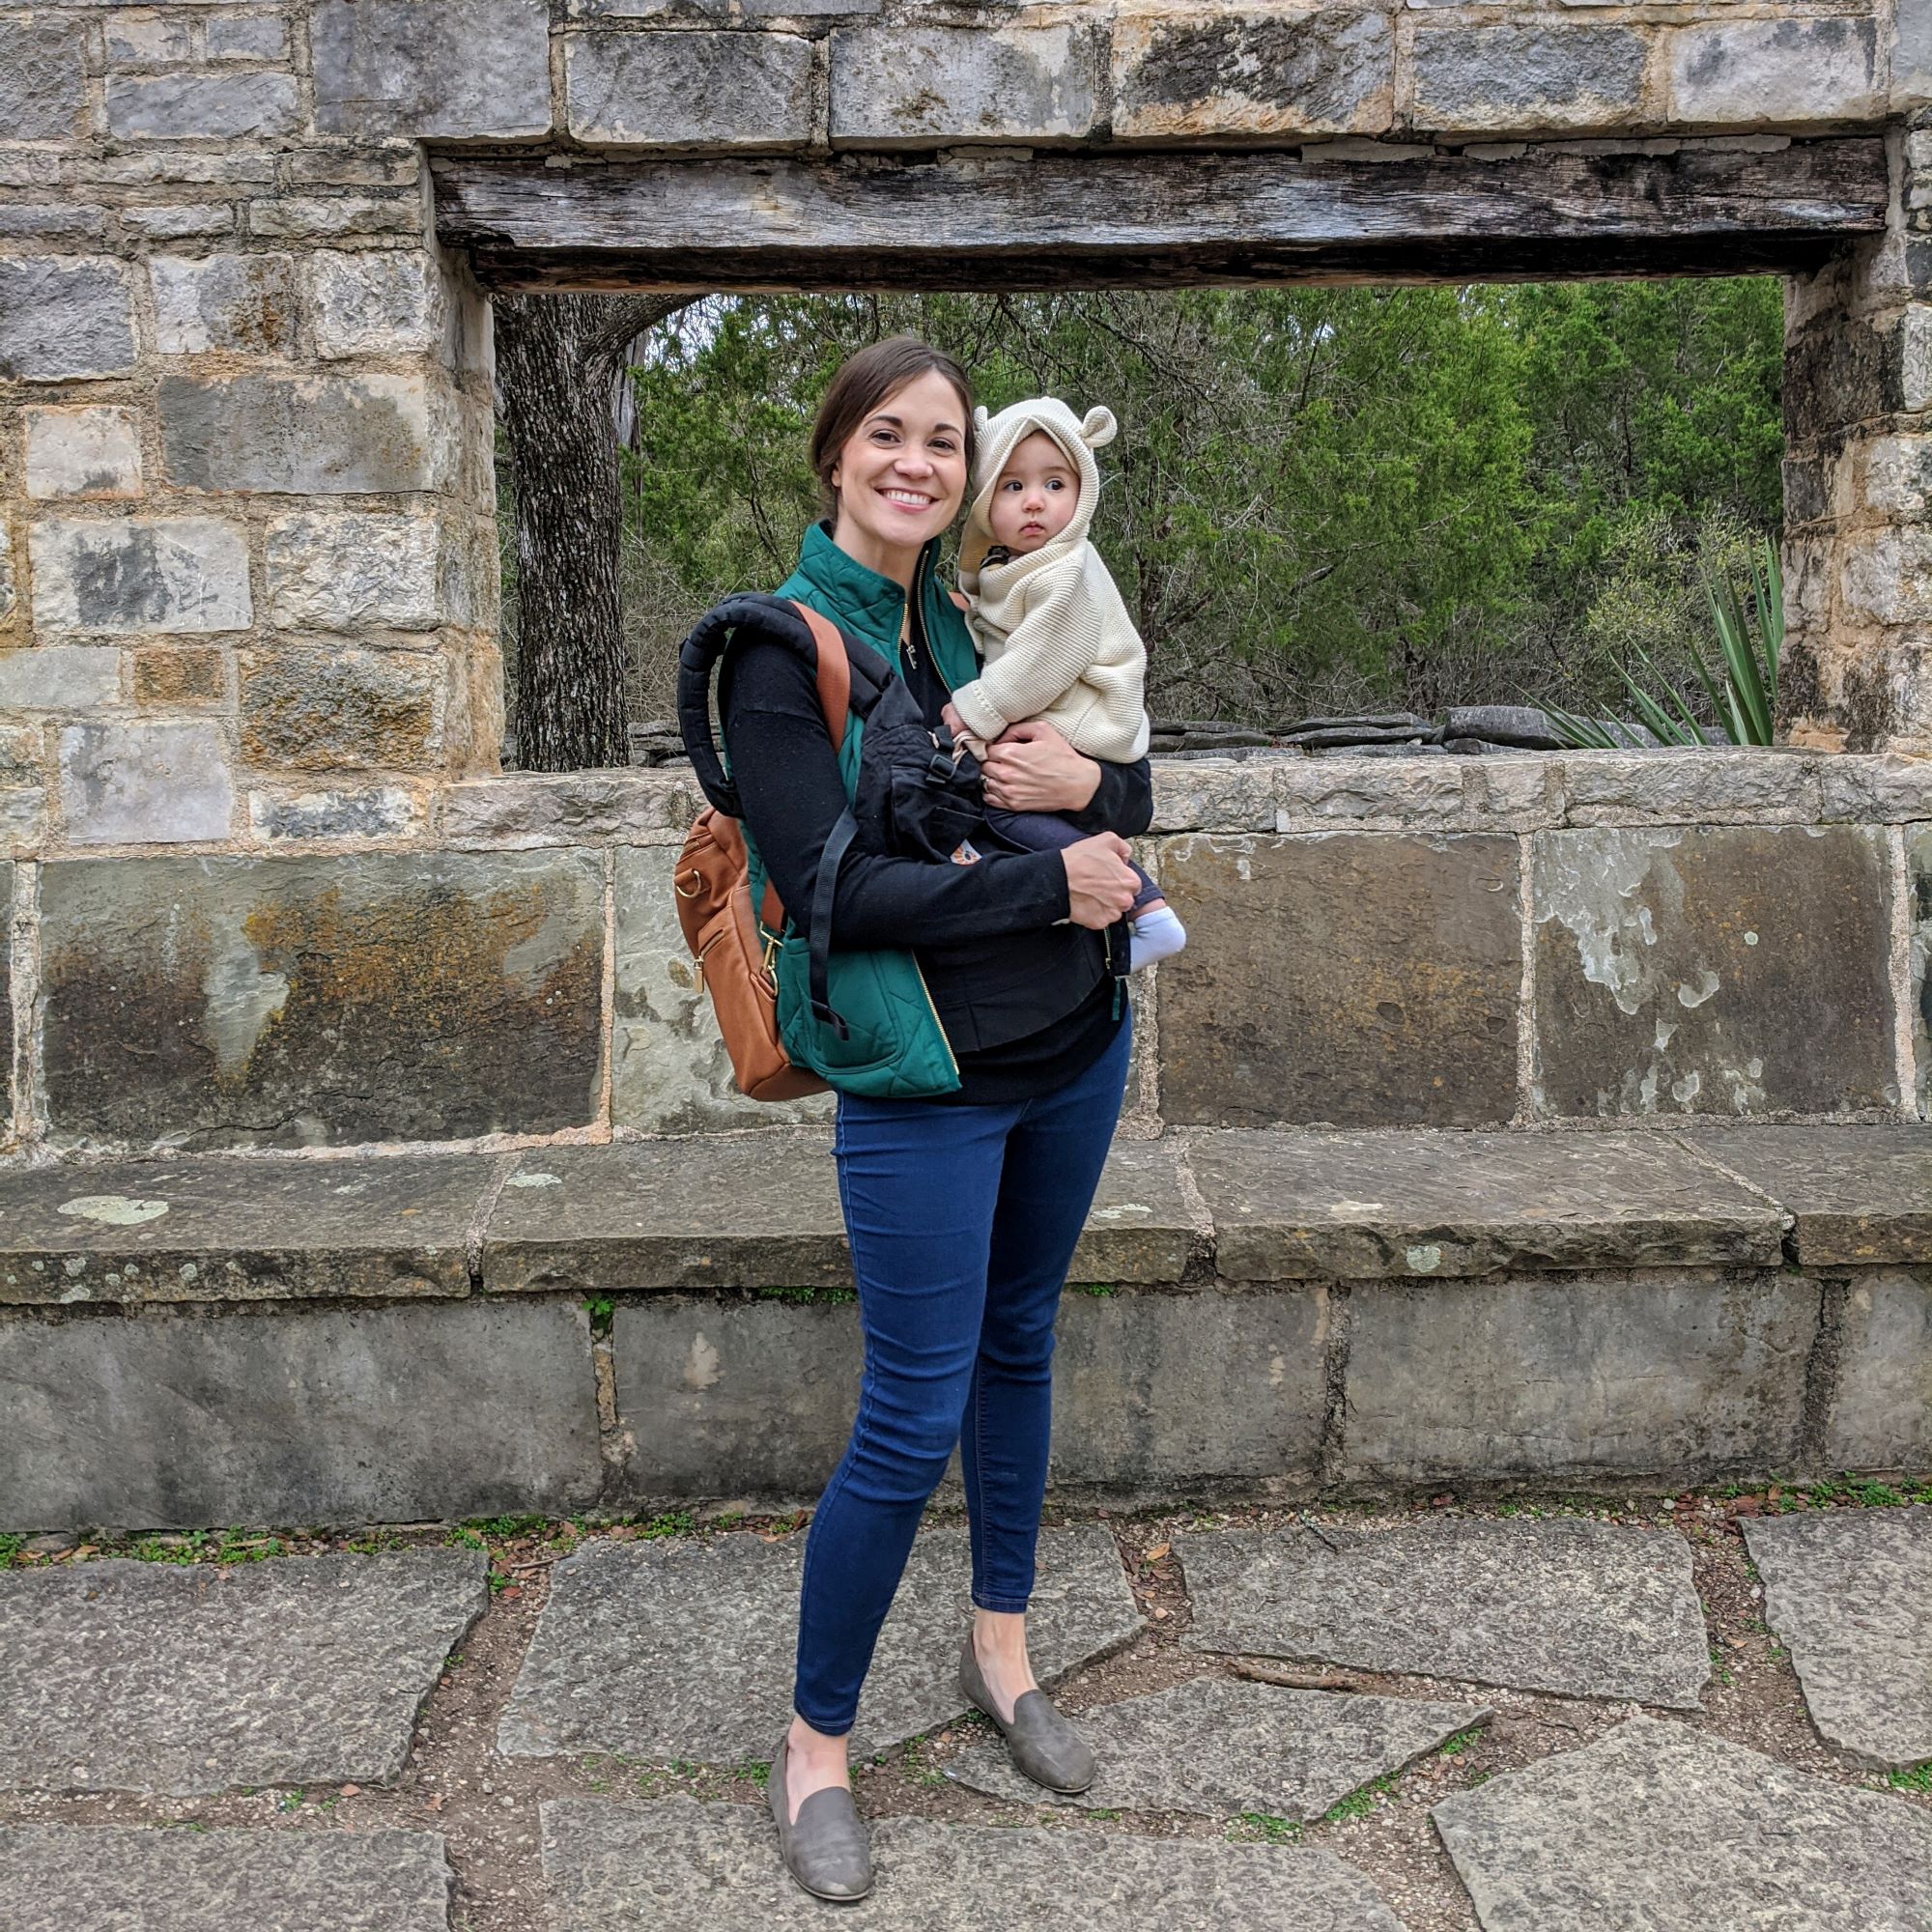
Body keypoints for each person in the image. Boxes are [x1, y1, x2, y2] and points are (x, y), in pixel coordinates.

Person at [715, 337, 1151, 1903]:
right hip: (925, 1088)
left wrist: (1091, 802)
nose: (918, 464)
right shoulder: (778, 653)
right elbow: (832, 890)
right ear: (837, 455)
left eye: (944, 442)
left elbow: (1126, 798)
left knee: (1019, 1342)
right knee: (909, 1416)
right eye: (887, 436)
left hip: (1076, 1044)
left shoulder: (987, 608)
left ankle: (1002, 1654)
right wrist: (1050, 883)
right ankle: (814, 1749)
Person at [945, 396, 1186, 973]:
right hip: (1063, 719)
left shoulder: (1067, 569)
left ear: (1083, 493)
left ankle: (1146, 908)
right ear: (985, 501)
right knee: (1012, 803)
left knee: (1002, 808)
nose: (1035, 501)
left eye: (1055, 484)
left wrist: (975, 708)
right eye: (1012, 486)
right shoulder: (1021, 568)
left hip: (1086, 718)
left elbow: (1042, 659)